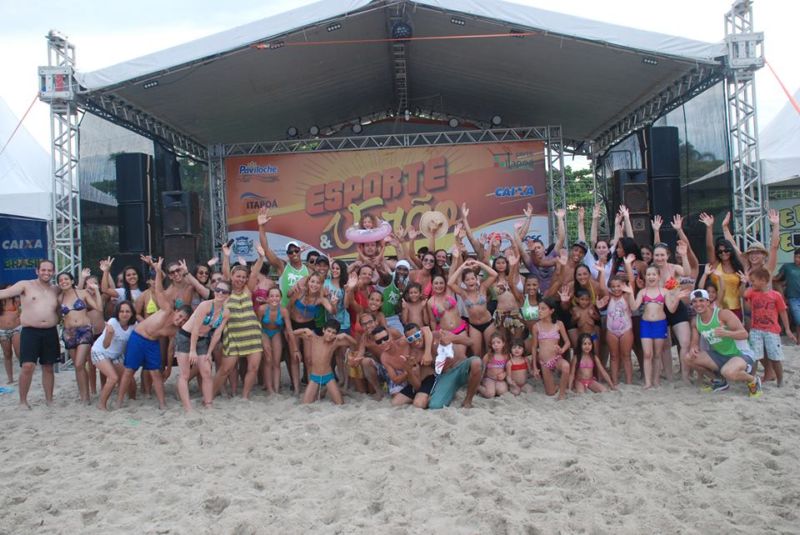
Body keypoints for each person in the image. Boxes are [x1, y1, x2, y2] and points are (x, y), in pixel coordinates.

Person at [117, 259, 192, 409]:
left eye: (183, 320)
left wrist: (169, 367)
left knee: (156, 373)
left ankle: (162, 403)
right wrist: (158, 271)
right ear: (176, 311)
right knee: (129, 371)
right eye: (180, 316)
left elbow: (171, 349)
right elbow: (158, 291)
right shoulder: (167, 310)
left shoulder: (175, 330)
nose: (180, 320)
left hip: (152, 343)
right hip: (138, 338)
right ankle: (119, 402)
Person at [0, 260, 61, 407]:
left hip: (50, 331)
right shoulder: (25, 285)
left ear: (53, 272)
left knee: (48, 366)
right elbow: (4, 293)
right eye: (43, 270)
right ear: (37, 271)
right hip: (30, 331)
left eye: (49, 270)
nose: (46, 273)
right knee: (27, 366)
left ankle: (49, 400)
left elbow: (75, 292)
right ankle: (23, 401)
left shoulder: (56, 289)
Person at [685, 289, 762, 397]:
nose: (698, 304)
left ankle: (753, 380)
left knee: (728, 372)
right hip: (720, 355)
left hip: (740, 353)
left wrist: (727, 333)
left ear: (708, 302)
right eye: (694, 301)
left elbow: (744, 334)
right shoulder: (695, 321)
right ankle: (719, 382)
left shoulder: (723, 314)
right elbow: (694, 341)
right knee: (688, 358)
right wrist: (693, 347)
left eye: (701, 300)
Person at [213, 244, 266, 400]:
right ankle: (209, 396)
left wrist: (261, 257)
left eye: (243, 277)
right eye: (238, 276)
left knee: (253, 368)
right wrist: (226, 256)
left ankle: (244, 397)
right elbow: (225, 274)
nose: (241, 279)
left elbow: (255, 273)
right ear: (232, 276)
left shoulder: (248, 290)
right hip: (233, 337)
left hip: (253, 336)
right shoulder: (226, 291)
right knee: (225, 369)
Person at [174, 280, 232, 411]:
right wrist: (192, 350)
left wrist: (209, 352)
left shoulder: (226, 312)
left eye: (224, 291)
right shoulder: (205, 305)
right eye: (218, 290)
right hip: (185, 337)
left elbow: (217, 334)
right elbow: (195, 328)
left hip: (202, 339)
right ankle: (188, 407)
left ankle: (208, 403)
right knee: (185, 374)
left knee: (206, 371)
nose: (220, 293)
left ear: (228, 295)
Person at [744, 267, 796, 387]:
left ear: (763, 280)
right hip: (756, 329)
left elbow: (782, 312)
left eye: (754, 281)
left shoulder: (776, 295)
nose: (752, 283)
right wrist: (749, 283)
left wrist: (787, 329)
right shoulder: (753, 293)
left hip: (771, 331)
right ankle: (752, 380)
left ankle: (780, 380)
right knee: (755, 356)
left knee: (775, 357)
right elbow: (745, 294)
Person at [57, 271, 102, 403]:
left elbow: (99, 308)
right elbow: (57, 316)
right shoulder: (59, 298)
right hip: (69, 332)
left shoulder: (82, 293)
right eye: (60, 280)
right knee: (78, 367)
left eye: (66, 279)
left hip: (84, 330)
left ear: (72, 281)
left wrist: (96, 290)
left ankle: (86, 396)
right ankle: (83, 395)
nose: (63, 281)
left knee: (79, 363)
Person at [293, 319, 356, 405]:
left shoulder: (335, 342)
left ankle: (328, 389)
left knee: (340, 403)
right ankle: (324, 391)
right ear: (323, 330)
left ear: (336, 335)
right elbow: (294, 333)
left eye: (333, 333)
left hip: (328, 376)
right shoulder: (314, 338)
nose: (330, 335)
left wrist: (345, 335)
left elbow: (354, 343)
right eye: (328, 331)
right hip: (314, 377)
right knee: (305, 404)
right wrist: (304, 329)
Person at [259, 207, 309, 308]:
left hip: (302, 313)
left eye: (296, 250)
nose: (294, 253)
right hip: (285, 312)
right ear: (287, 254)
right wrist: (261, 227)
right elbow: (266, 249)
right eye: (290, 252)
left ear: (300, 251)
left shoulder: (308, 270)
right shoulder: (282, 266)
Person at [90, 300, 136, 410]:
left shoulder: (134, 325)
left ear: (132, 313)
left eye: (127, 311)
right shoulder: (113, 322)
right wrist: (109, 334)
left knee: (129, 377)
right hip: (100, 351)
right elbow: (105, 345)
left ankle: (132, 400)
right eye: (121, 311)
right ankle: (101, 404)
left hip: (116, 354)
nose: (124, 314)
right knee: (113, 378)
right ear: (117, 313)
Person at [448, 258, 498, 355]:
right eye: (467, 279)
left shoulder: (483, 288)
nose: (470, 281)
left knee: (491, 351)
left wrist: (479, 263)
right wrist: (462, 267)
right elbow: (450, 283)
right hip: (474, 326)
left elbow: (494, 274)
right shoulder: (463, 293)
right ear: (464, 282)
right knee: (476, 353)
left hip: (488, 323)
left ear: (476, 279)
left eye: (472, 278)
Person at [427, 329, 482, 409]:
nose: (416, 340)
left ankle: (468, 400)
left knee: (476, 362)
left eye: (417, 335)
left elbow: (470, 342)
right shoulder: (417, 349)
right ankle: (451, 390)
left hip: (461, 366)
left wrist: (452, 338)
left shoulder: (439, 334)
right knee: (435, 405)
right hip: (446, 375)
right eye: (411, 338)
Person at [256, 287, 298, 394]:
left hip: (276, 332)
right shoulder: (262, 309)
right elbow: (257, 327)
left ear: (280, 298)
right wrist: (261, 340)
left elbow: (289, 330)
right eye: (271, 296)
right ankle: (270, 389)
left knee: (276, 362)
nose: (274, 298)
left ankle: (276, 388)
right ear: (267, 298)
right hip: (264, 332)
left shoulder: (283, 311)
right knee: (268, 360)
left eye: (277, 296)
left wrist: (295, 349)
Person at [531, 298, 571, 400]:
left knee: (566, 366)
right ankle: (556, 386)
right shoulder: (536, 326)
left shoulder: (559, 324)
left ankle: (562, 394)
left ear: (551, 311)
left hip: (556, 358)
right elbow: (534, 347)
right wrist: (535, 367)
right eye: (539, 308)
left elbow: (567, 342)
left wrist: (562, 350)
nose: (539, 311)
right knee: (550, 393)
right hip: (544, 362)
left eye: (543, 308)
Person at [773, 248, 800, 343]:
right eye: (795, 257)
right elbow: (777, 278)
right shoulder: (787, 267)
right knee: (798, 318)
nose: (797, 259)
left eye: (799, 257)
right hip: (793, 297)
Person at [478, 333, 510, 398]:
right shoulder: (488, 356)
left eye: (498, 342)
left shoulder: (506, 356)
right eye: (493, 343)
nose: (496, 345)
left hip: (499, 380)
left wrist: (504, 374)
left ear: (503, 343)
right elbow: (482, 370)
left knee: (503, 391)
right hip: (489, 379)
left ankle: (494, 389)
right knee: (490, 394)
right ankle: (477, 387)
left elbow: (508, 369)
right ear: (491, 345)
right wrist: (479, 381)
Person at [0, 287, 21, 384]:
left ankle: (24, 374)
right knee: (7, 354)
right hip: (2, 331)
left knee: (19, 352)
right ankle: (10, 379)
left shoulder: (16, 300)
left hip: (16, 329)